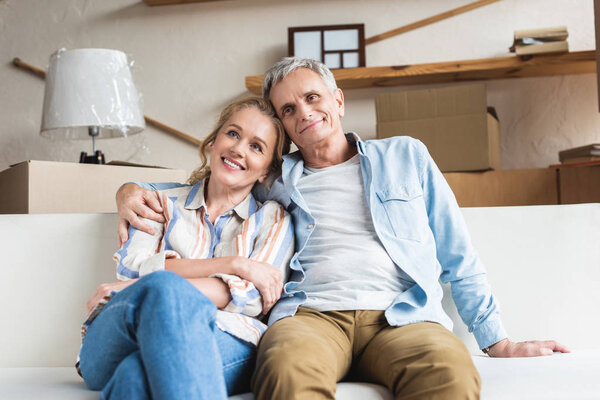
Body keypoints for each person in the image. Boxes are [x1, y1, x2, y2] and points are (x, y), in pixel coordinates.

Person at [117, 58, 569, 400]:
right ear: (286, 129)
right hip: (310, 318)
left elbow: (457, 252)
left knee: (449, 373)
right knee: (285, 371)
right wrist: (128, 190)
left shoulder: (405, 156)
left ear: (338, 100)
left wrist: (498, 341)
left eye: (313, 98)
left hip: (403, 316)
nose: (305, 113)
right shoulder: (276, 177)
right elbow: (206, 180)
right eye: (289, 109)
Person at [78, 97, 294, 400]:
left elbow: (251, 297)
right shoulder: (157, 202)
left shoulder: (272, 219)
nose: (238, 149)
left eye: (256, 146)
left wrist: (149, 285)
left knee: (135, 374)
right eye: (232, 134)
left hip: (225, 335)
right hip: (120, 338)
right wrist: (234, 265)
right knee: (160, 288)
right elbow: (135, 268)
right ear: (213, 141)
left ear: (265, 171)